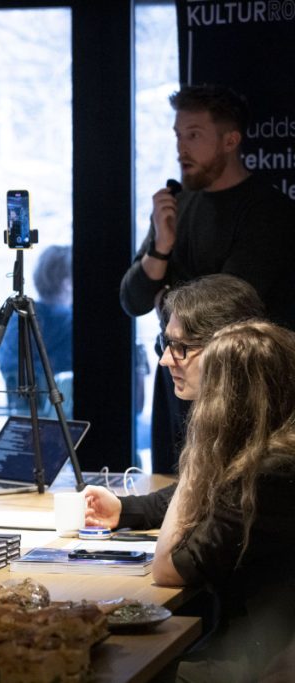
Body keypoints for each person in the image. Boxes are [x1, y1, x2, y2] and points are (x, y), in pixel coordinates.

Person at [120, 84, 295, 474]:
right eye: (178, 136)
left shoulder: (268, 211)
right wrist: (161, 247)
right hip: (177, 380)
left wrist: (165, 297)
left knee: (222, 487)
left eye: (194, 135)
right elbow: (132, 299)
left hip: (240, 388)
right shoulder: (175, 206)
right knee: (169, 485)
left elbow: (226, 308)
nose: (182, 149)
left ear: (230, 140)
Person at [152, 320, 295, 681]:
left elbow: (166, 570)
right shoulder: (276, 454)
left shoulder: (266, 475)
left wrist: (197, 453)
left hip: (261, 658)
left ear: (229, 396)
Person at [85, 274, 264, 531]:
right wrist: (124, 509)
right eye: (166, 343)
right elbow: (196, 492)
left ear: (229, 349)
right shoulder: (232, 411)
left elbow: (179, 558)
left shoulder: (270, 435)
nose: (165, 359)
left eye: (181, 347)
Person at [0, 244, 72, 414]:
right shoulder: (68, 322)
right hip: (61, 411)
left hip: (22, 410)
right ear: (67, 283)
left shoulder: (17, 317)